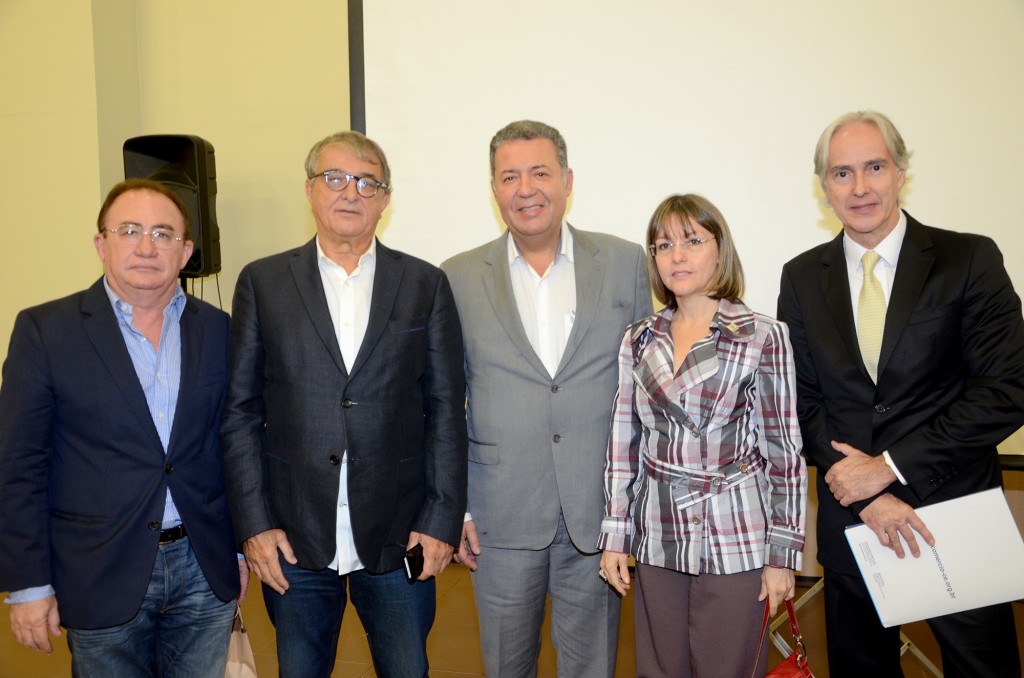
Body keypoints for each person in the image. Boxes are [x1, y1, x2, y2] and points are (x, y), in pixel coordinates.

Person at [777, 110, 1024, 677]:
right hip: (853, 526)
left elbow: (1006, 390)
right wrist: (866, 496)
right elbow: (801, 402)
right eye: (842, 173)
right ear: (823, 188)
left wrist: (888, 468)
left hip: (955, 518)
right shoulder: (801, 277)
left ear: (901, 172)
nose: (860, 187)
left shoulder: (968, 260)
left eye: (874, 167)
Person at [220, 130, 467, 678]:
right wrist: (254, 524)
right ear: (309, 190)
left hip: (400, 533)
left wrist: (442, 520)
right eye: (334, 179)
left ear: (385, 198)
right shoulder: (263, 282)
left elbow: (447, 409)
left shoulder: (424, 283)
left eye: (366, 182)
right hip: (292, 533)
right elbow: (239, 412)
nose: (350, 192)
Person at [0, 179, 245, 676]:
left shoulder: (220, 330)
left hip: (203, 566)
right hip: (97, 570)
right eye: (130, 230)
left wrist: (239, 548)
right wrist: (28, 585)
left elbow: (235, 445)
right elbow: (18, 465)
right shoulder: (46, 331)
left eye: (163, 233)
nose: (146, 246)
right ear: (101, 243)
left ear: (186, 251)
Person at [441, 119, 652, 677]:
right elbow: (446, 401)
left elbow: (647, 395)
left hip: (598, 515)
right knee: (507, 667)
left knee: (592, 668)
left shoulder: (627, 262)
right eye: (510, 176)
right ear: (494, 190)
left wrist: (632, 511)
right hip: (499, 516)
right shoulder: (457, 277)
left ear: (568, 180)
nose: (526, 189)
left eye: (540, 172)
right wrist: (457, 505)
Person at [598, 193, 806, 677]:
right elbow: (623, 442)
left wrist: (782, 558)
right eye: (663, 244)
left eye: (693, 240)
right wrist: (614, 534)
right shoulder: (638, 338)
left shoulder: (761, 335)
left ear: (720, 250)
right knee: (659, 671)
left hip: (736, 535)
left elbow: (784, 453)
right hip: (657, 534)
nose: (677, 255)